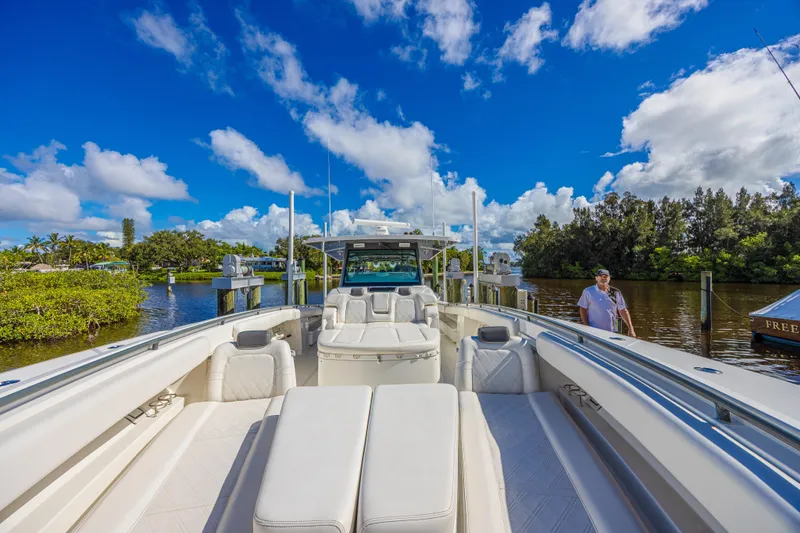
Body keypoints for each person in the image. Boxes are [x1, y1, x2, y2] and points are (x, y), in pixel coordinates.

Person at [577, 269, 636, 337]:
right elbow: (583, 309)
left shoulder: (616, 292)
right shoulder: (588, 291)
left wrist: (631, 329)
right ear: (596, 278)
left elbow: (623, 311)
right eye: (601, 276)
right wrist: (586, 326)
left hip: (612, 332)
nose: (603, 278)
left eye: (606, 276)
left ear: (609, 278)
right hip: (593, 332)